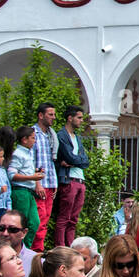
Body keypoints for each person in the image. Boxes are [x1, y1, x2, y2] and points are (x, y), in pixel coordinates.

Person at [52, 105, 89, 247]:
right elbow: (70, 156)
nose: (81, 121)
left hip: (80, 180)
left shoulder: (77, 137)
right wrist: (75, 160)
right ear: (70, 118)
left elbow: (85, 160)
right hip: (68, 180)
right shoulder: (61, 135)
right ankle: (61, 248)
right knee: (64, 217)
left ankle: (70, 247)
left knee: (73, 219)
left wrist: (75, 161)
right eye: (79, 117)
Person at [8, 126, 44, 246]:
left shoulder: (28, 153)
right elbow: (12, 174)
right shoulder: (18, 154)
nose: (35, 141)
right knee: (20, 223)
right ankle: (17, 247)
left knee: (34, 222)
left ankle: (25, 247)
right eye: (33, 138)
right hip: (20, 191)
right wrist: (31, 177)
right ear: (24, 139)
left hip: (29, 191)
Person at [29, 103, 59, 251]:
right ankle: (35, 252)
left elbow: (50, 161)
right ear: (41, 115)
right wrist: (37, 183)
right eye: (50, 114)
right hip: (40, 184)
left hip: (50, 182)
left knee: (45, 220)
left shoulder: (51, 135)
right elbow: (31, 161)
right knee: (38, 221)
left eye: (54, 114)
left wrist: (55, 184)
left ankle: (38, 251)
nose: (53, 117)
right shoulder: (33, 134)